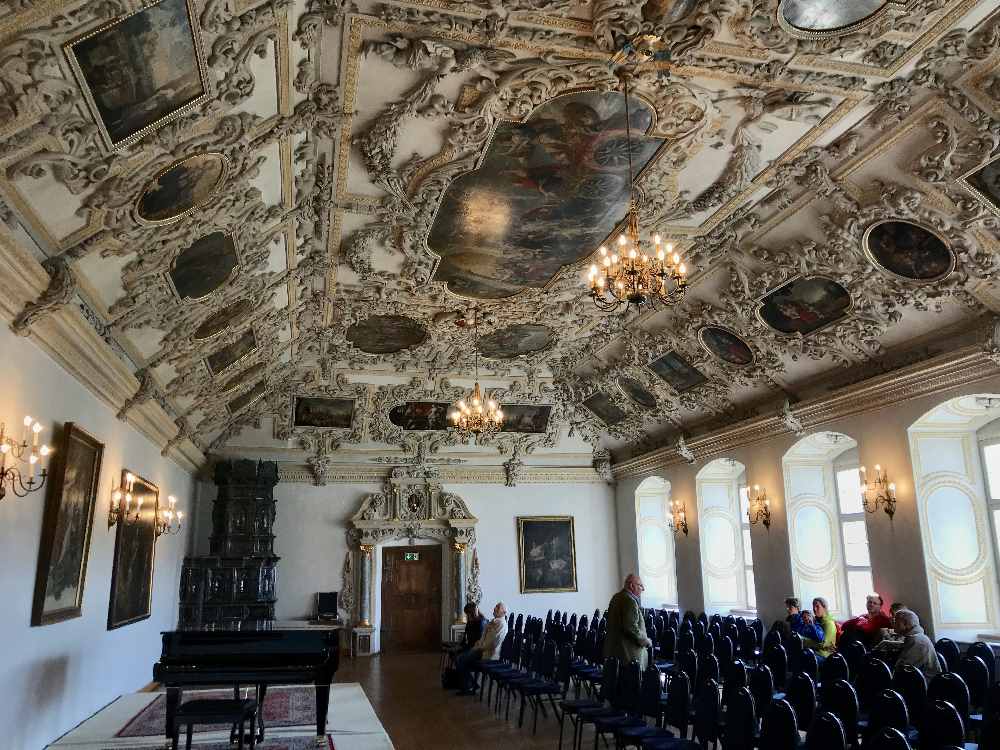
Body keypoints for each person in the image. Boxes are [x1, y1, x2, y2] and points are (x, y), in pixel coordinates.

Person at [455, 601, 508, 694]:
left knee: (460, 659)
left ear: (504, 612)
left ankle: (468, 687)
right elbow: (482, 639)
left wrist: (477, 647)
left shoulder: (501, 624)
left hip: (487, 653)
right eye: (495, 606)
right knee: (459, 658)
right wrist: (476, 645)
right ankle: (470, 684)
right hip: (480, 649)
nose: (494, 608)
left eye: (498, 608)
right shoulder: (493, 622)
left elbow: (491, 643)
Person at [604, 574, 653, 670]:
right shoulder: (630, 601)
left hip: (615, 651)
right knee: (632, 684)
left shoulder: (616, 597)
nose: (643, 589)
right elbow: (631, 627)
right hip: (629, 654)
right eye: (640, 585)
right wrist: (645, 641)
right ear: (631, 586)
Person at [893, 608, 941, 677]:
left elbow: (903, 668)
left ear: (906, 623)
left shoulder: (917, 640)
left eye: (896, 621)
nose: (893, 623)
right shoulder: (913, 637)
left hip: (925, 681)